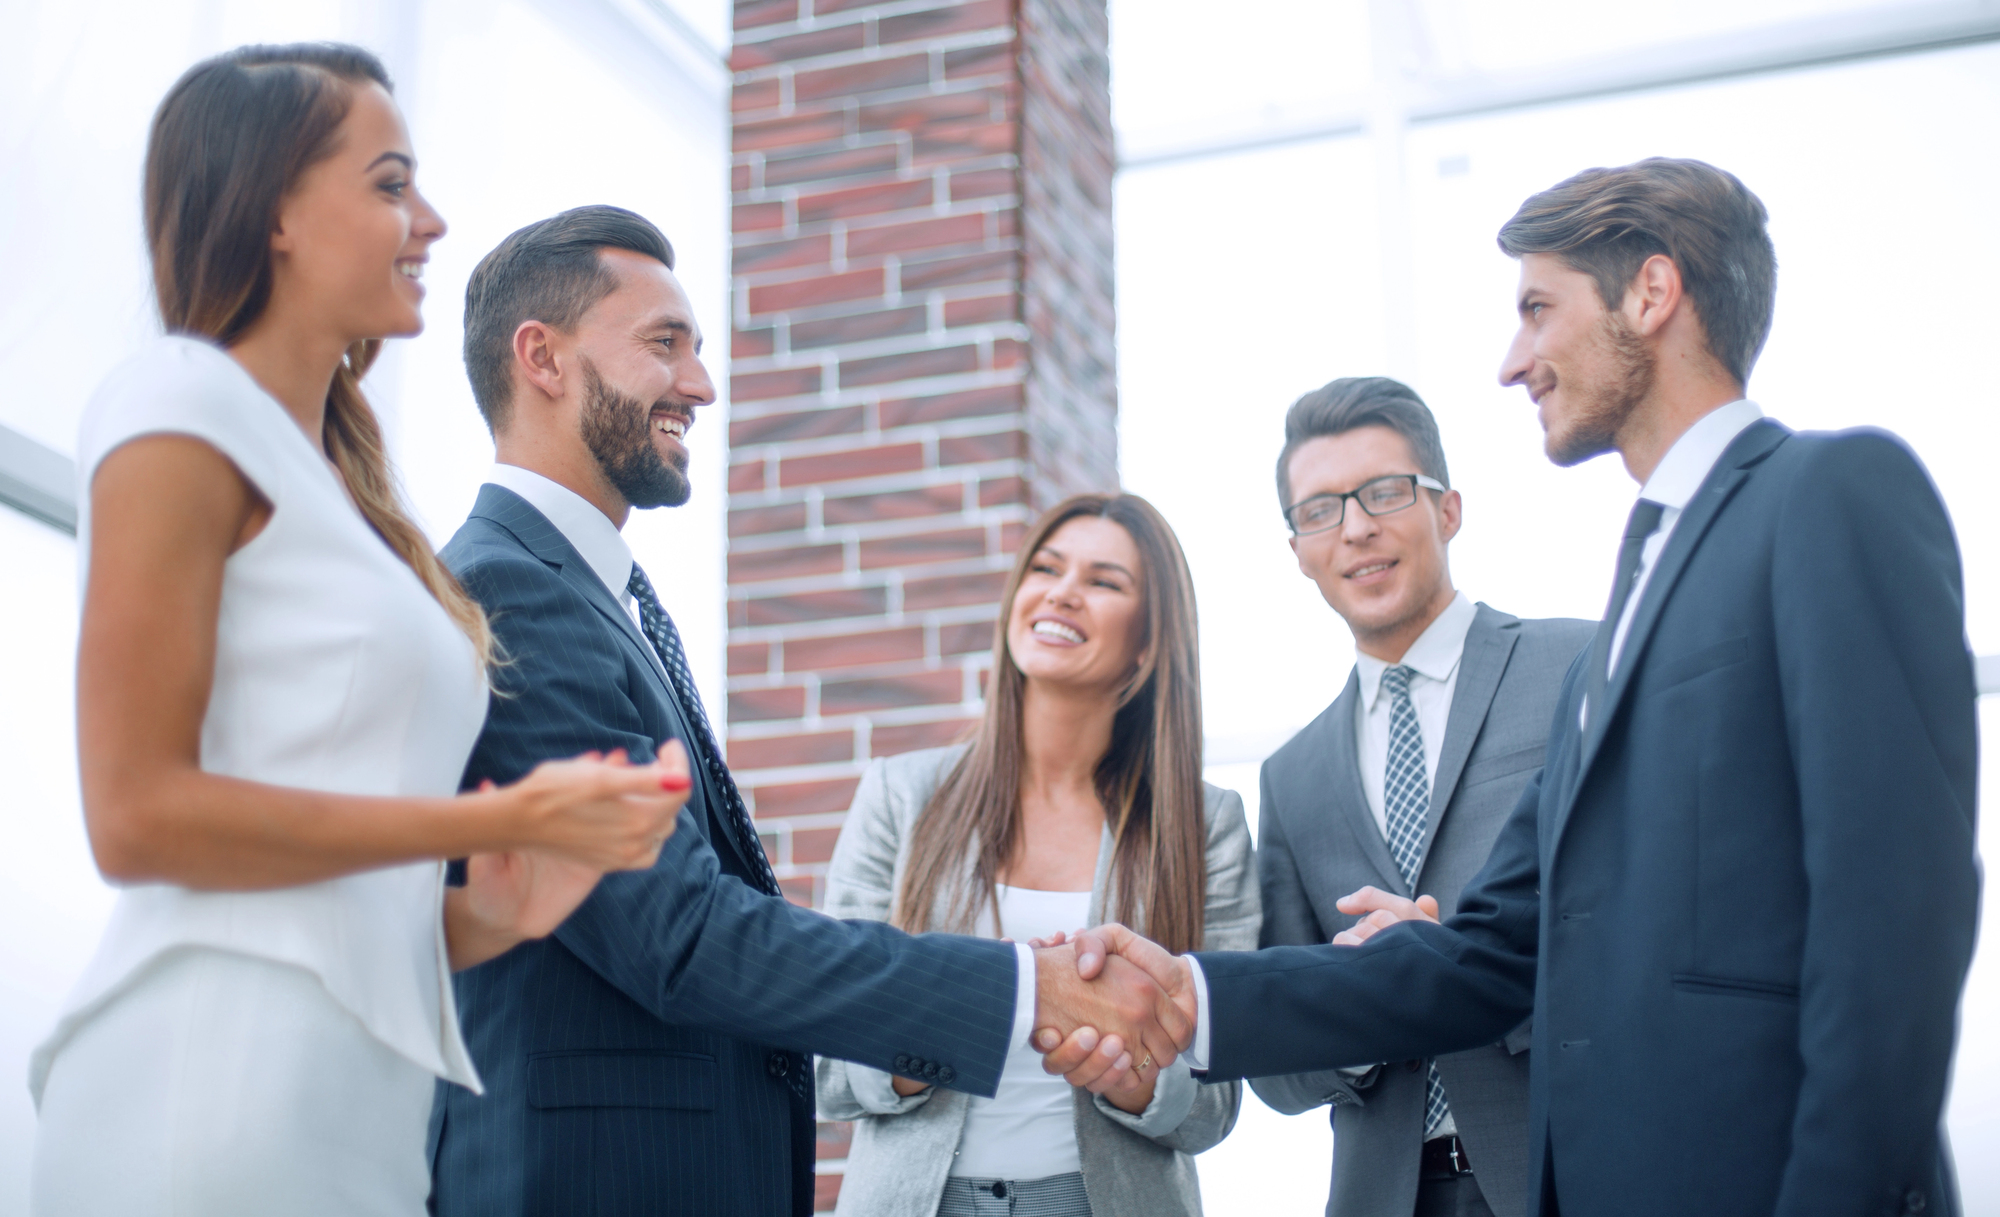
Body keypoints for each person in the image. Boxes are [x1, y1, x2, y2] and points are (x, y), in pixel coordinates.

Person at [1049, 158, 1979, 1217]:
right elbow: (1490, 950)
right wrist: (1190, 993)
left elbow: (1895, 906)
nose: (1511, 361)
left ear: (1651, 293)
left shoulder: (1825, 493)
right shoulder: (1639, 584)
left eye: (1536, 309)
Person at [29, 46, 688, 1217]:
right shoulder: (178, 401)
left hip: (355, 1112)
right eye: (389, 184)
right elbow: (135, 816)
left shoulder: (352, 490)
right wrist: (496, 814)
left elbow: (335, 894)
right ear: (276, 208)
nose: (429, 219)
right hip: (210, 1083)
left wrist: (498, 904)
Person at [427, 207, 1190, 1217]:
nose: (700, 384)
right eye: (665, 344)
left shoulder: (592, 592)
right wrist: (1020, 989)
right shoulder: (511, 590)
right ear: (544, 359)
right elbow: (681, 931)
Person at [817, 492, 1260, 1217]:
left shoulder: (1207, 825)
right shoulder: (902, 794)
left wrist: (1130, 1073)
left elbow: (1213, 1106)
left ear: (1148, 642)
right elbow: (831, 1065)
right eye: (1047, 568)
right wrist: (987, 1004)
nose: (1062, 591)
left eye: (1104, 580)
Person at [1252, 377, 1592, 1217]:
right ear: (1296, 549)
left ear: (1448, 509)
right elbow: (1279, 1068)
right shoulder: (1290, 776)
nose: (1357, 526)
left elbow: (1652, 933)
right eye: (1321, 509)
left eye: (1384, 492)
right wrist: (1366, 1004)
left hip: (1571, 1170)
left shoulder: (1581, 668)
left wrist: (1457, 967)